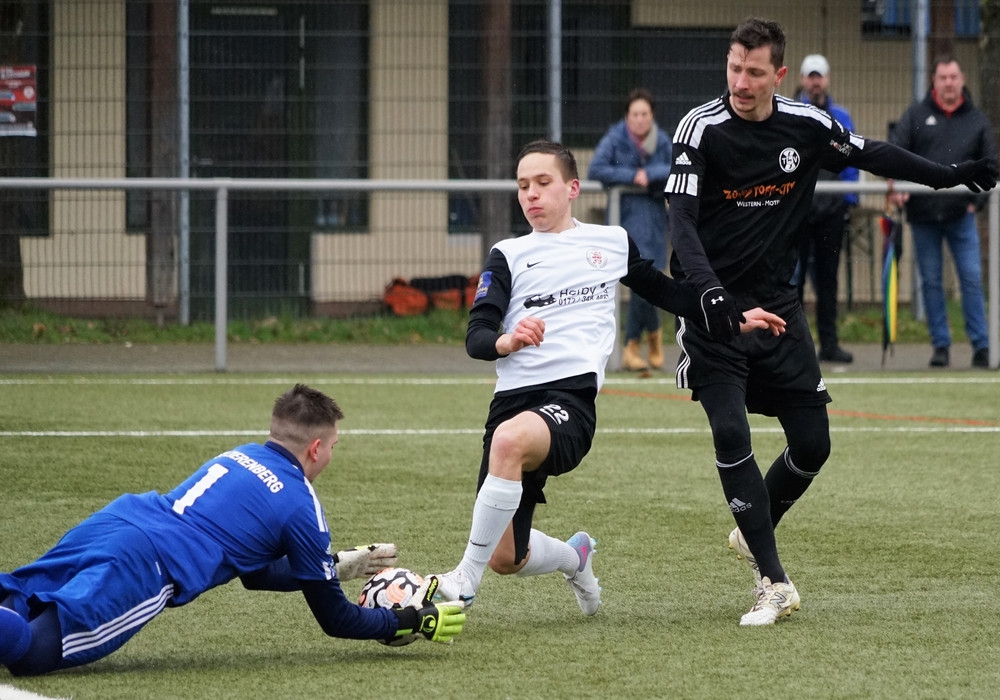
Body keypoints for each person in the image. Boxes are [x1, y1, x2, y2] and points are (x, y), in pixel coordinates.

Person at [664, 17, 996, 626]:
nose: (740, 82)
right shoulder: (699, 128)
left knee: (814, 442)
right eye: (734, 68)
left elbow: (872, 153)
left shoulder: (807, 124)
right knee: (731, 431)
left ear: (779, 74)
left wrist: (948, 176)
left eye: (754, 72)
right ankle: (774, 582)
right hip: (715, 309)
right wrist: (709, 293)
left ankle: (753, 527)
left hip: (778, 307)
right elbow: (680, 222)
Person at [432, 139, 786, 615]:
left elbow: (667, 292)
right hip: (511, 404)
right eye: (522, 185)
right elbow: (477, 336)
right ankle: (574, 558)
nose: (531, 194)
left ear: (572, 187)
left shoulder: (610, 241)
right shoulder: (507, 254)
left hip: (569, 402)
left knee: (509, 441)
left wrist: (732, 316)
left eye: (543, 182)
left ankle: (463, 579)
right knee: (506, 557)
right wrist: (507, 341)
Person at [0, 384, 466, 676]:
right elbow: (336, 620)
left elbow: (255, 572)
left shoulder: (240, 454)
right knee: (33, 652)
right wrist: (411, 620)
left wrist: (334, 566)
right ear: (316, 448)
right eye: (334, 446)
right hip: (146, 563)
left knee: (17, 597)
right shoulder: (302, 505)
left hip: (117, 520)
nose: (332, 455)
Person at [889, 55, 995, 368]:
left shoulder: (977, 120)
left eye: (953, 77)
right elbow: (894, 151)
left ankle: (981, 346)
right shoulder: (915, 115)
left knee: (971, 279)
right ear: (934, 81)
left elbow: (990, 164)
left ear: (962, 80)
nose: (948, 83)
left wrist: (977, 202)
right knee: (931, 282)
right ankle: (941, 346)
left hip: (962, 216)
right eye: (943, 77)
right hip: (923, 216)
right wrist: (898, 184)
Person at [589, 87, 674, 371]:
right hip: (626, 221)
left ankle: (644, 341)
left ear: (652, 116)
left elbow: (676, 168)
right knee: (641, 281)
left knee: (649, 282)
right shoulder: (615, 139)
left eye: (644, 114)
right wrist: (631, 176)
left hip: (655, 220)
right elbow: (596, 169)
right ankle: (636, 344)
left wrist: (649, 174)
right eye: (635, 114)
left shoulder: (662, 141)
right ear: (627, 116)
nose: (640, 119)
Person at [792, 54, 859, 364]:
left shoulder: (841, 116)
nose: (815, 82)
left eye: (819, 76)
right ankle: (793, 345)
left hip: (831, 212)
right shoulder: (792, 114)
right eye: (810, 76)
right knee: (792, 281)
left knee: (828, 281)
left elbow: (853, 159)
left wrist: (849, 201)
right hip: (798, 212)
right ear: (802, 80)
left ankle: (829, 344)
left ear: (827, 79)